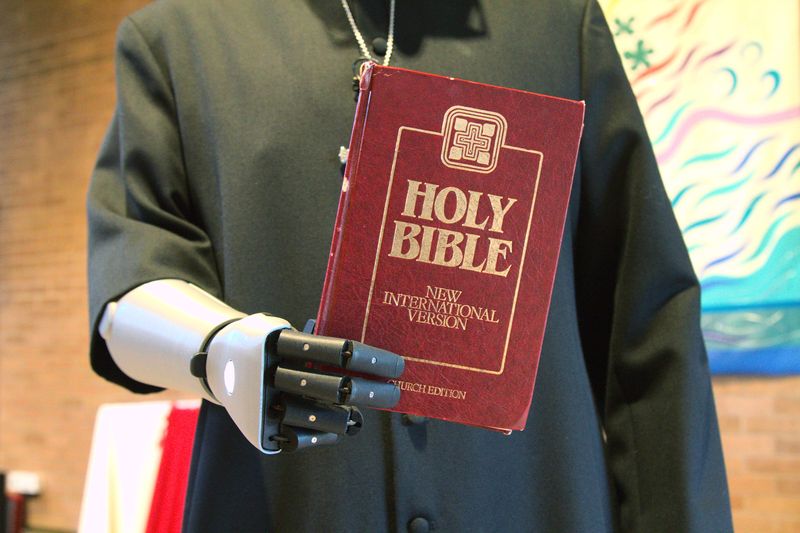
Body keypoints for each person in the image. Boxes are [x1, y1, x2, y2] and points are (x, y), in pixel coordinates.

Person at [87, 0, 733, 531]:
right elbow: (128, 279)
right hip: (290, 505)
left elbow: (650, 328)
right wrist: (224, 348)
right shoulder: (180, 40)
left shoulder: (559, 28)